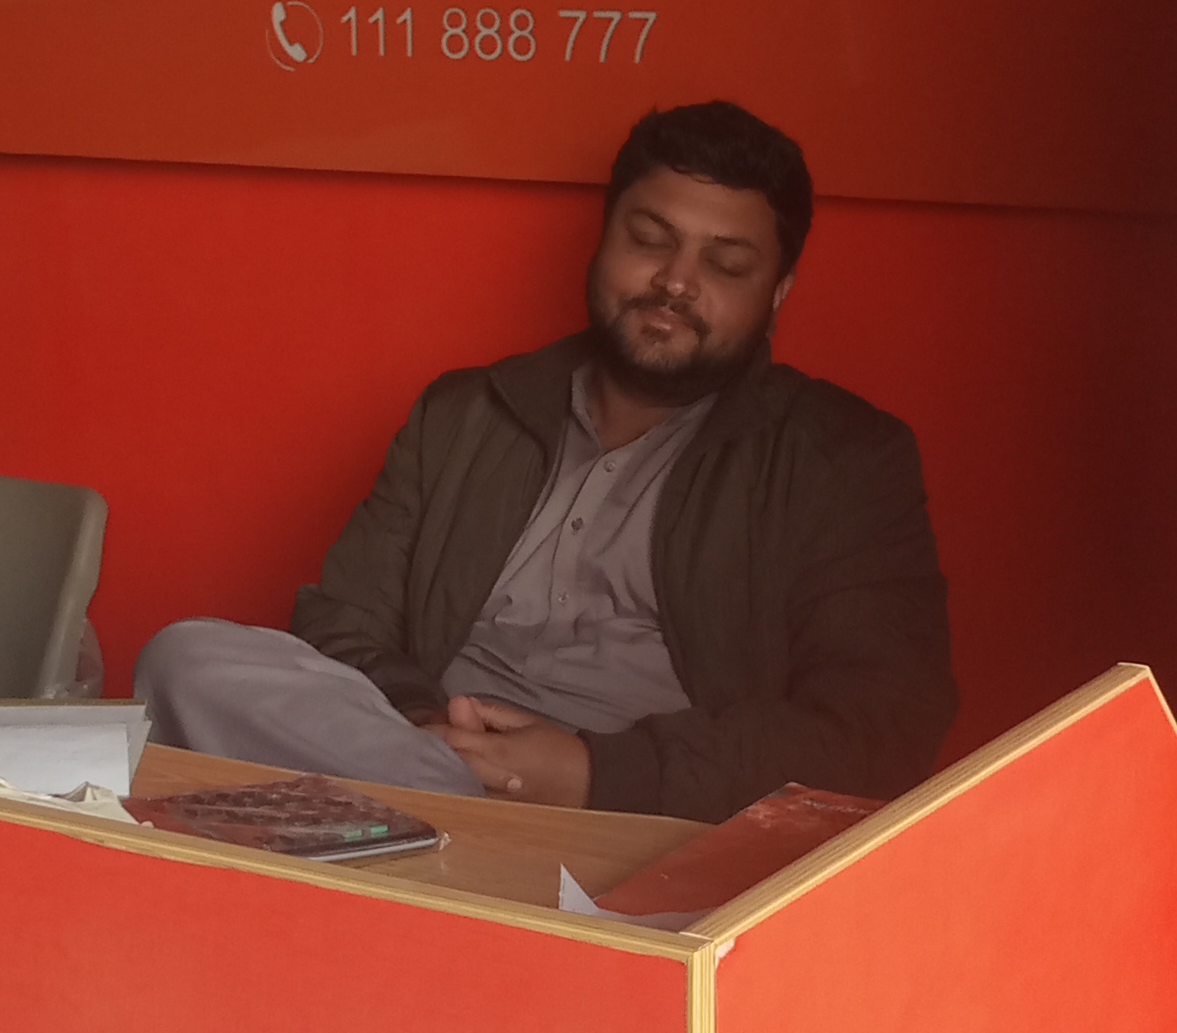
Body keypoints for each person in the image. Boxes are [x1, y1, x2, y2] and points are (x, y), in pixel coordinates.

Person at [137, 100, 955, 821]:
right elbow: (345, 620)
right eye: (650, 240)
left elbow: (880, 723)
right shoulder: (468, 413)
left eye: (726, 264)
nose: (676, 281)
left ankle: (420, 827)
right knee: (187, 656)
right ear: (603, 241)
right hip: (423, 758)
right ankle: (435, 808)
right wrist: (429, 727)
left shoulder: (838, 458)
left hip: (641, 817)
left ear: (776, 293)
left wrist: (593, 773)